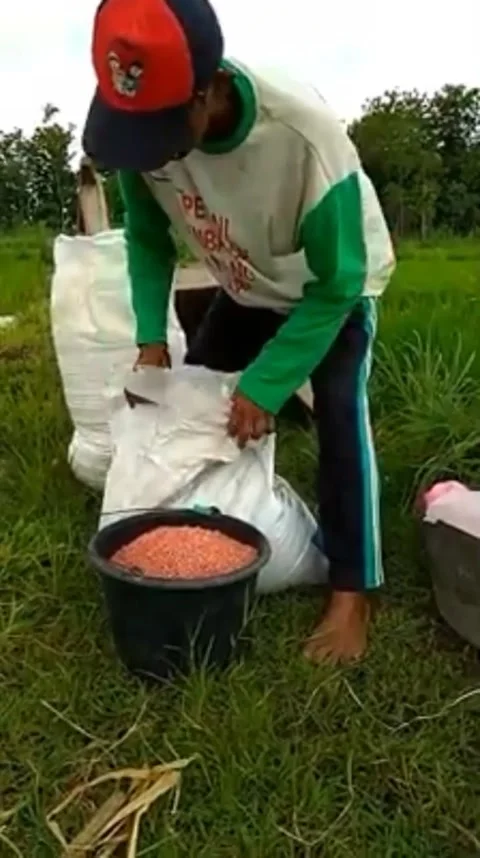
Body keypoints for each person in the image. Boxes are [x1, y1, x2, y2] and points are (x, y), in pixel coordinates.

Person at [83, 0, 395, 663]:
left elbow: (340, 282)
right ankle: (198, 524)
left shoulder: (302, 137)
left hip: (328, 287)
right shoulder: (145, 125)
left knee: (341, 414)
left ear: (208, 90)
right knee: (194, 398)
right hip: (248, 282)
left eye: (160, 133)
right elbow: (147, 238)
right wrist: (150, 339)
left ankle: (352, 589)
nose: (147, 153)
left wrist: (268, 384)